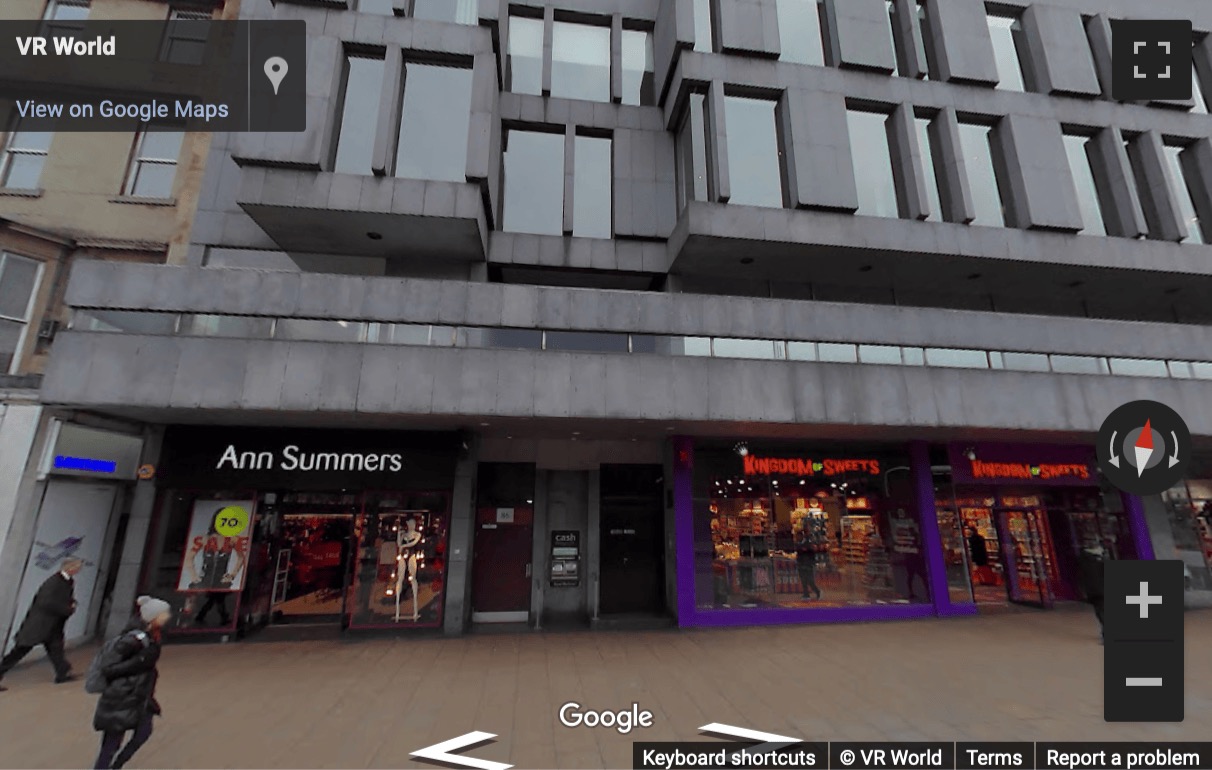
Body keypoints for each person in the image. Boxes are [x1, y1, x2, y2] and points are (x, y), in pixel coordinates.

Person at [93, 596, 171, 770]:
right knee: (112, 743)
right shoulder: (134, 639)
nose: (167, 617)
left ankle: (116, 765)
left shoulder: (153, 635)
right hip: (123, 696)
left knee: (142, 733)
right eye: (164, 613)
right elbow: (109, 667)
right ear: (153, 616)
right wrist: (137, 664)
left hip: (139, 695)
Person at [0, 558, 83, 691]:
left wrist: (71, 603)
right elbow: (45, 602)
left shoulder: (68, 581)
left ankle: (62, 673)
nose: (79, 570)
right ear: (70, 568)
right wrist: (67, 609)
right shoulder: (53, 582)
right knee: (19, 651)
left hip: (53, 625)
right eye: (78, 567)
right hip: (40, 625)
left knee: (56, 650)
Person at [1078, 542, 1107, 643]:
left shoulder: (1084, 559)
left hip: (1093, 590)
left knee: (1101, 612)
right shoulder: (1103, 558)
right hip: (1102, 588)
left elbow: (1082, 576)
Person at [795, 529, 822, 600]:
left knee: (810, 580)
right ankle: (806, 594)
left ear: (802, 536)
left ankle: (817, 591)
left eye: (798, 536)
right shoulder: (798, 544)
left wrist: (811, 562)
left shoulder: (808, 544)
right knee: (803, 580)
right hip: (801, 564)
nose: (797, 538)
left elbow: (812, 552)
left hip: (808, 565)